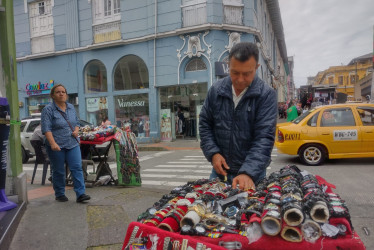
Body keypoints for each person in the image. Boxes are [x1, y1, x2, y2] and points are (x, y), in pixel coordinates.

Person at [199, 42, 277, 191]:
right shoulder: (216, 90)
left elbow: (264, 137)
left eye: (247, 73)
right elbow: (205, 124)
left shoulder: (266, 95)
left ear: (256, 68)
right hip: (220, 171)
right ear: (228, 66)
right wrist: (213, 153)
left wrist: (247, 172)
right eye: (235, 72)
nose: (240, 79)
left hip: (252, 175)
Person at [41, 84, 90, 203]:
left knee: (77, 167)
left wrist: (76, 131)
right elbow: (46, 128)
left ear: (66, 94)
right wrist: (52, 143)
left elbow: (77, 122)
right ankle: (59, 193)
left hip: (72, 143)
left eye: (63, 92)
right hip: (56, 144)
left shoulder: (71, 107)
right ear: (53, 95)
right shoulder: (48, 109)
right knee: (58, 170)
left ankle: (80, 194)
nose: (61, 94)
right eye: (58, 92)